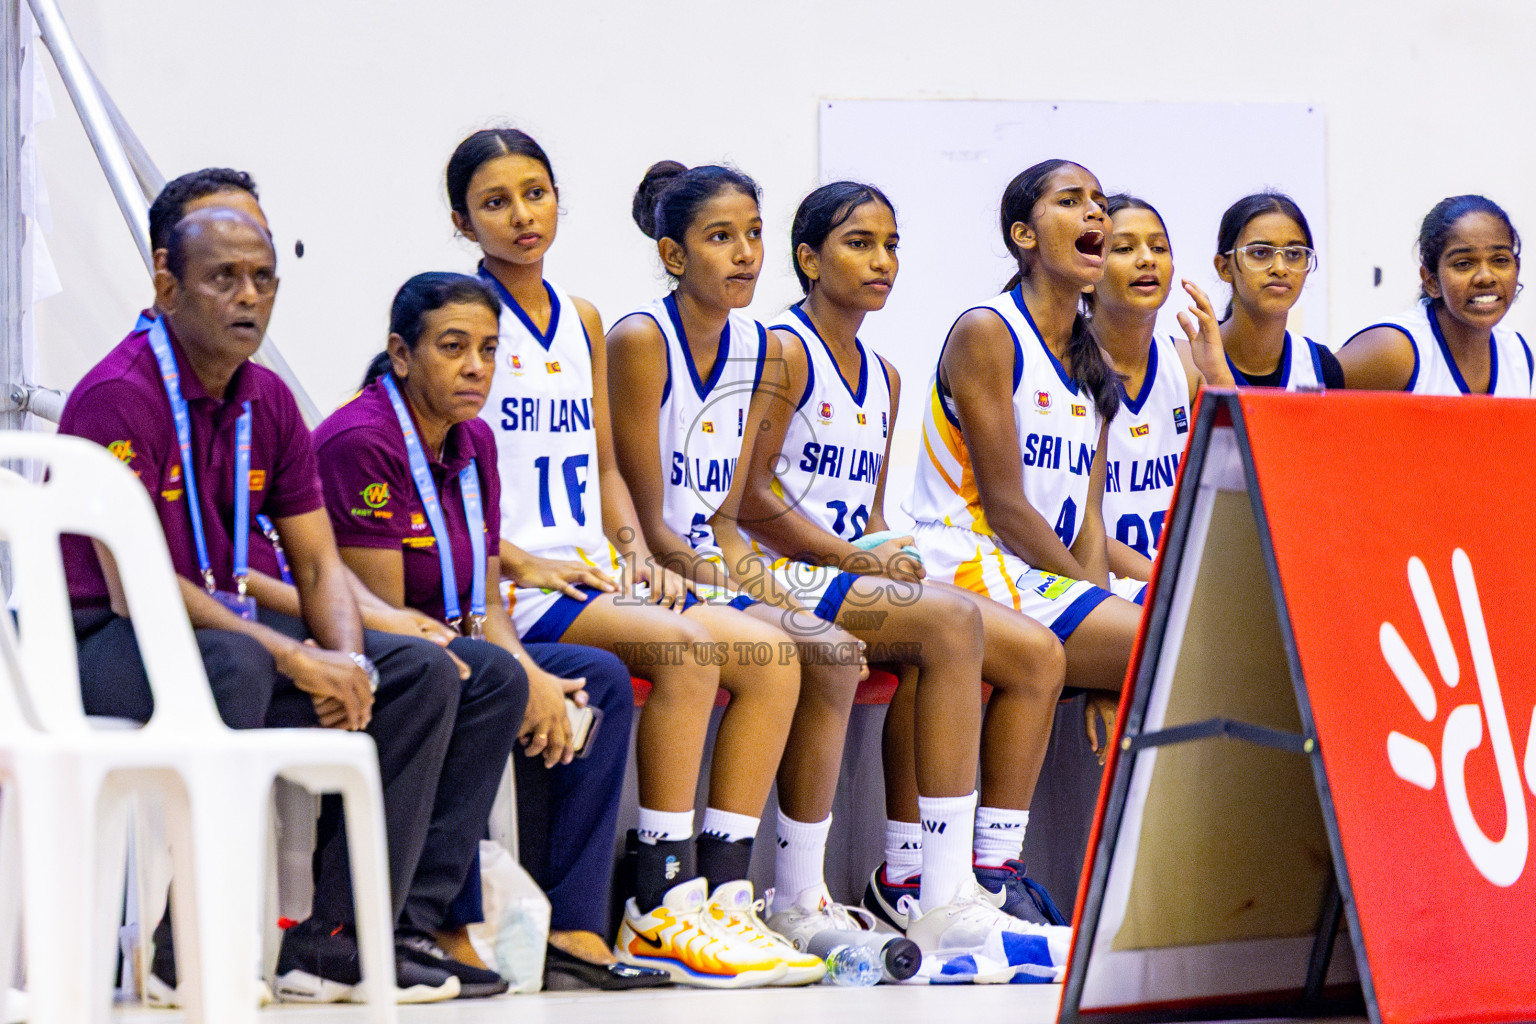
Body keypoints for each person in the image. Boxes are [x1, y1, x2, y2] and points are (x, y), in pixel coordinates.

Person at [58, 207, 521, 1003]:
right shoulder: (117, 395)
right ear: (167, 283)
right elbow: (138, 583)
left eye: (264, 278)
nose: (249, 297)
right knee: (235, 662)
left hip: (218, 632)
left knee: (445, 672)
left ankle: (342, 940)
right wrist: (290, 654)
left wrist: (344, 658)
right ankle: (184, 945)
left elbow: (315, 560)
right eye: (223, 278)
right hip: (99, 635)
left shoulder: (266, 399)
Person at [447, 128, 808, 988]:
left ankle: (725, 896)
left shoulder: (582, 320)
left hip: (591, 565)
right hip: (520, 580)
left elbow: (606, 463)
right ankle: (658, 900)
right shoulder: (461, 321)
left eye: (535, 192)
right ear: (464, 223)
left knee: (773, 658)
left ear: (559, 199)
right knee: (687, 650)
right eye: (496, 202)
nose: (522, 215)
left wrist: (639, 554)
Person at [719, 180, 1073, 959]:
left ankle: (923, 877)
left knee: (1034, 651)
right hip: (775, 579)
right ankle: (939, 894)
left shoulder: (884, 374)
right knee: (949, 622)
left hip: (849, 577)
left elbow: (869, 511)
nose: (882, 261)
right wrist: (855, 555)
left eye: (890, 245)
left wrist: (892, 546)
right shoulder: (782, 348)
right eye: (858, 243)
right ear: (808, 259)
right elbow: (747, 498)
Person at [312, 271, 669, 990]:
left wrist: (535, 677)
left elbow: (485, 604)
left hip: (456, 634)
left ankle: (573, 923)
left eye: (488, 349)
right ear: (402, 354)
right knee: (468, 677)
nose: (477, 366)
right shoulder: (362, 440)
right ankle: (441, 917)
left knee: (594, 680)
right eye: (453, 347)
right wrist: (514, 673)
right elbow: (393, 621)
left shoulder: (474, 440)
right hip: (380, 642)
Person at [607, 166, 897, 955]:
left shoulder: (757, 346)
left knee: (833, 650)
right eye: (720, 237)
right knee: (780, 649)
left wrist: (772, 588)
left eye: (753, 234)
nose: (744, 254)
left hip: (706, 561)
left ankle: (768, 891)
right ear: (672, 253)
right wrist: (745, 593)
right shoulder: (638, 338)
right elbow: (645, 515)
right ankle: (686, 886)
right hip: (644, 565)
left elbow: (725, 519)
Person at [906, 159, 1143, 777]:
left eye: (1098, 199)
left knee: (1168, 631)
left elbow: (1089, 519)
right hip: (968, 556)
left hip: (1039, 573)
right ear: (1024, 237)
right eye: (1070, 200)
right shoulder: (989, 330)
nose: (1096, 210)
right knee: (1162, 642)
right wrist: (1096, 612)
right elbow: (1007, 507)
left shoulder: (1091, 357)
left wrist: (1100, 649)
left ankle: (996, 863)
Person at [1092, 194, 1232, 581]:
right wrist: (1164, 584)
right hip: (1101, 577)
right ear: (1090, 271)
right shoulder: (1064, 368)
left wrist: (1219, 376)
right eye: (1124, 248)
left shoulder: (1189, 365)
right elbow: (1059, 520)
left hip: (1176, 574)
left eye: (1159, 248)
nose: (1147, 259)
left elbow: (1243, 474)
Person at [1338, 196, 1531, 396]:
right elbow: (1308, 403)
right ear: (1431, 281)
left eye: (1500, 260)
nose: (1485, 277)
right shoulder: (1394, 349)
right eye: (1463, 263)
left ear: (1516, 269)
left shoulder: (1516, 353)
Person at [1210, 192, 1343, 390]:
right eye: (1260, 253)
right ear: (1224, 268)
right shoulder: (1190, 361)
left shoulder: (1321, 366)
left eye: (1294, 254)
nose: (1280, 268)